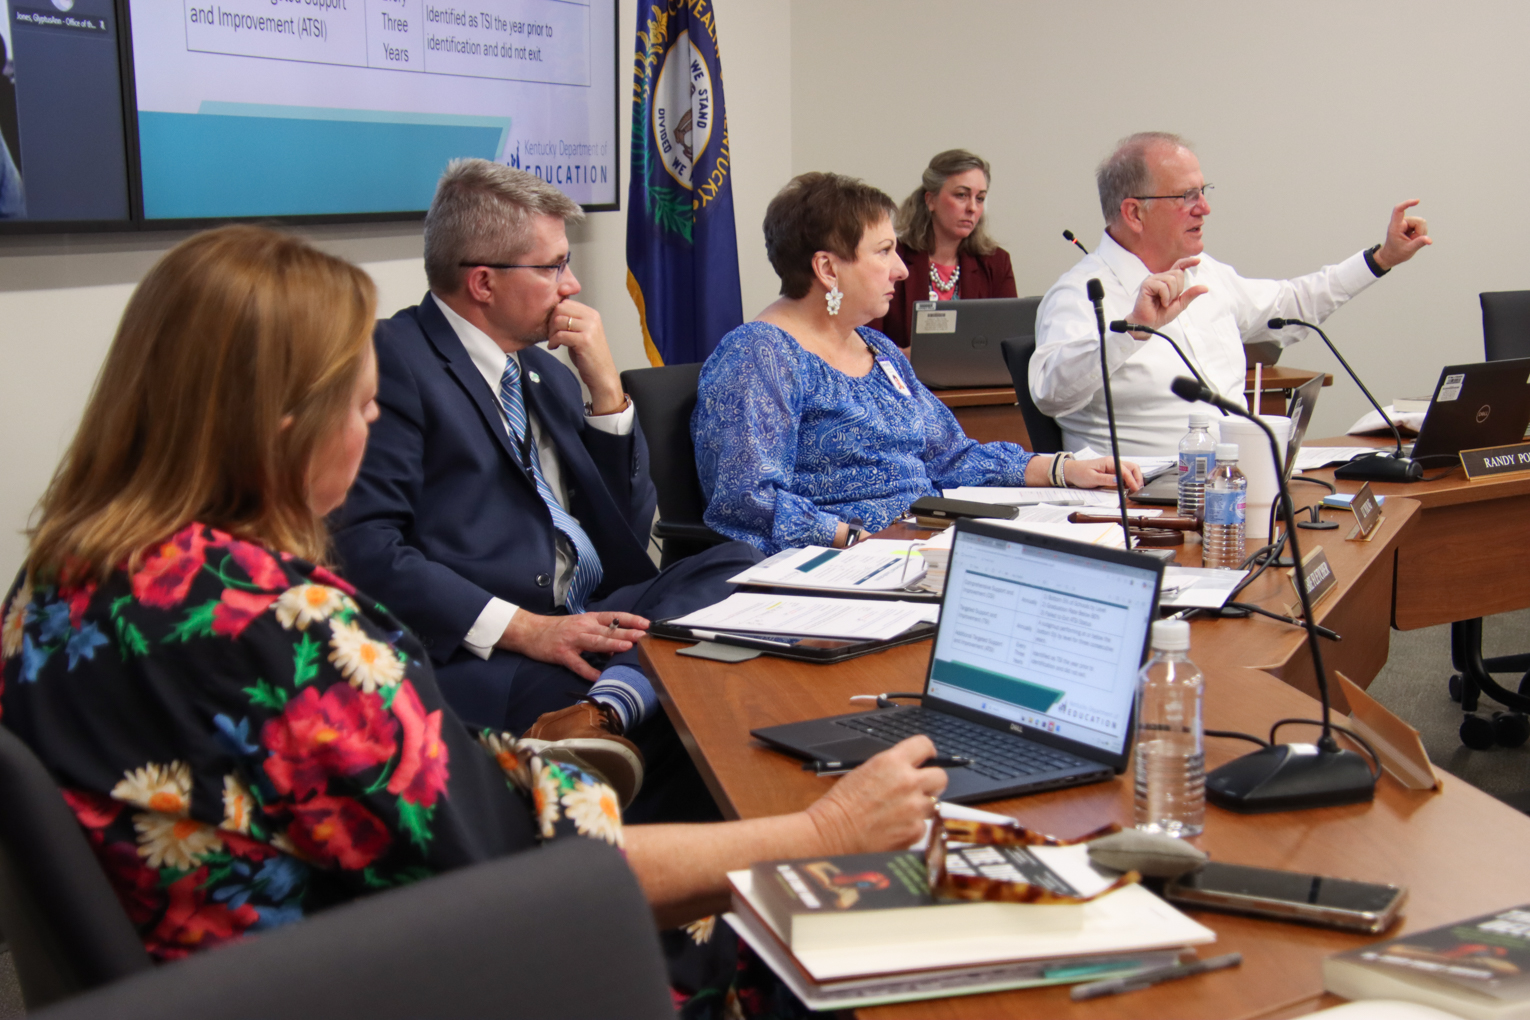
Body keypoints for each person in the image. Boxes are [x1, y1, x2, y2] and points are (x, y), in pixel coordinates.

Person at [0, 225, 946, 1013]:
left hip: (243, 962)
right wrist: (819, 835)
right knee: (830, 933)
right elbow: (524, 875)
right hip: (396, 976)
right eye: (360, 403)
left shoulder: (61, 578)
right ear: (279, 426)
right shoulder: (286, 627)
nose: (372, 420)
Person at [332, 160, 761, 821]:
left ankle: (600, 712)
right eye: (554, 266)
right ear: (483, 281)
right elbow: (368, 549)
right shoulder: (395, 362)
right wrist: (530, 630)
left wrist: (606, 394)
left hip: (589, 613)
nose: (574, 283)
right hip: (492, 646)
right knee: (694, 706)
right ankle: (637, 864)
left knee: (743, 565)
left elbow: (626, 530)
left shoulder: (542, 371)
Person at [692, 172, 1139, 556]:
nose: (902, 270)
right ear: (828, 268)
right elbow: (747, 499)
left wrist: (1061, 470)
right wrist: (853, 540)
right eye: (884, 251)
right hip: (847, 565)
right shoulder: (759, 355)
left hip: (922, 541)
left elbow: (948, 455)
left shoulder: (877, 349)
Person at [1031, 131, 1431, 456]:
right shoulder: (1080, 293)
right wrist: (1130, 331)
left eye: (1203, 191)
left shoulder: (1207, 275)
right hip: (1140, 510)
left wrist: (1382, 258)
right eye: (1186, 196)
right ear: (1134, 213)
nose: (1204, 208)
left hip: (1237, 487)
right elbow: (1050, 393)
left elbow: (1292, 306)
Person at [872, 149, 1016, 349]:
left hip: (975, 378)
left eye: (980, 198)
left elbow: (1009, 343)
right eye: (961, 195)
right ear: (930, 200)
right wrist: (904, 359)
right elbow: (865, 342)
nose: (972, 208)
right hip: (903, 377)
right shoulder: (893, 259)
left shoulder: (996, 263)